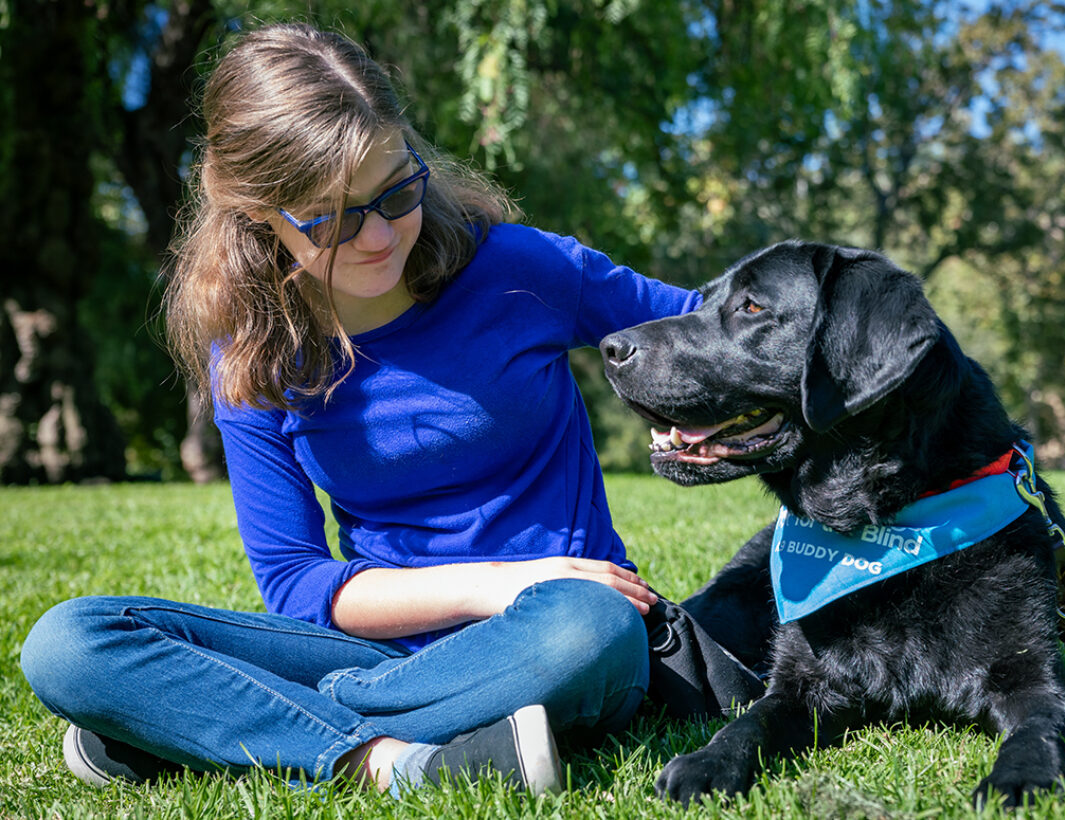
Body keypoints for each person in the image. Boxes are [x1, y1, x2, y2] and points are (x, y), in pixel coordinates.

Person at [20, 22, 700, 796]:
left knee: (595, 628)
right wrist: (497, 583)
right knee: (69, 643)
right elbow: (299, 586)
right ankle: (381, 764)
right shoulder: (252, 355)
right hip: (381, 655)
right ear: (259, 216)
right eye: (333, 218)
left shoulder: (519, 269)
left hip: (554, 631)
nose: (380, 235)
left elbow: (707, 332)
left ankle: (233, 726)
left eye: (396, 191)